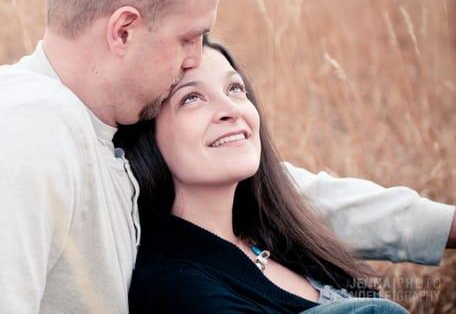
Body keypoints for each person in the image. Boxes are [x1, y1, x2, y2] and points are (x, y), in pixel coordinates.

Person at [0, 0, 455, 313]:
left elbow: (273, 193)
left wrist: (439, 225)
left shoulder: (99, 127)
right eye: (190, 37)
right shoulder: (23, 137)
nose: (194, 59)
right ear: (124, 30)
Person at [116, 39, 409, 313]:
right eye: (192, 98)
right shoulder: (178, 289)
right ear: (147, 138)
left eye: (234, 89)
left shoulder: (275, 233)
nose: (231, 109)